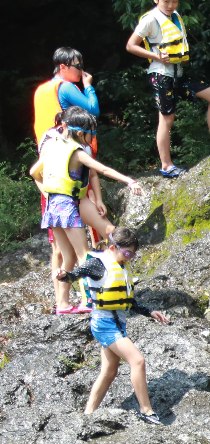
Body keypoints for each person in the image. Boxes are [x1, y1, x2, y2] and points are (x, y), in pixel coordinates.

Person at [30, 108, 144, 315]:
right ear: (81, 133)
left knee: (68, 258)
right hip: (68, 207)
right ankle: (88, 300)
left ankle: (62, 305)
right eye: (91, 132)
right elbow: (102, 170)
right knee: (84, 256)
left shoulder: (51, 146)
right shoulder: (77, 152)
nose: (93, 137)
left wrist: (48, 193)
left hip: (54, 207)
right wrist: (129, 180)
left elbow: (33, 172)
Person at [55, 228, 170, 425]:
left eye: (133, 254)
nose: (130, 258)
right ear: (112, 247)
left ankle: (88, 415)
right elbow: (74, 275)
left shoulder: (121, 266)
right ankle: (146, 410)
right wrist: (63, 274)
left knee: (109, 372)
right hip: (104, 324)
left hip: (118, 322)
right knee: (138, 361)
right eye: (127, 253)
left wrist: (149, 311)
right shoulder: (97, 263)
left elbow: (127, 300)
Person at [125, 0, 210, 178]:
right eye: (166, 1)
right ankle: (166, 165)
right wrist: (156, 56)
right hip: (161, 75)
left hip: (178, 74)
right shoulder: (150, 19)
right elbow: (131, 45)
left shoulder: (175, 16)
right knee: (166, 119)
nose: (170, 5)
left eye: (174, 1)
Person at [33, 48, 105, 307]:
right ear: (62, 67)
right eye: (77, 66)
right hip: (70, 171)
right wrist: (88, 86)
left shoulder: (40, 90)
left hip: (49, 170)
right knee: (87, 239)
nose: (81, 71)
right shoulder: (65, 87)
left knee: (59, 246)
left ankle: (62, 302)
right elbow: (93, 109)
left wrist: (43, 188)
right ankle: (90, 297)